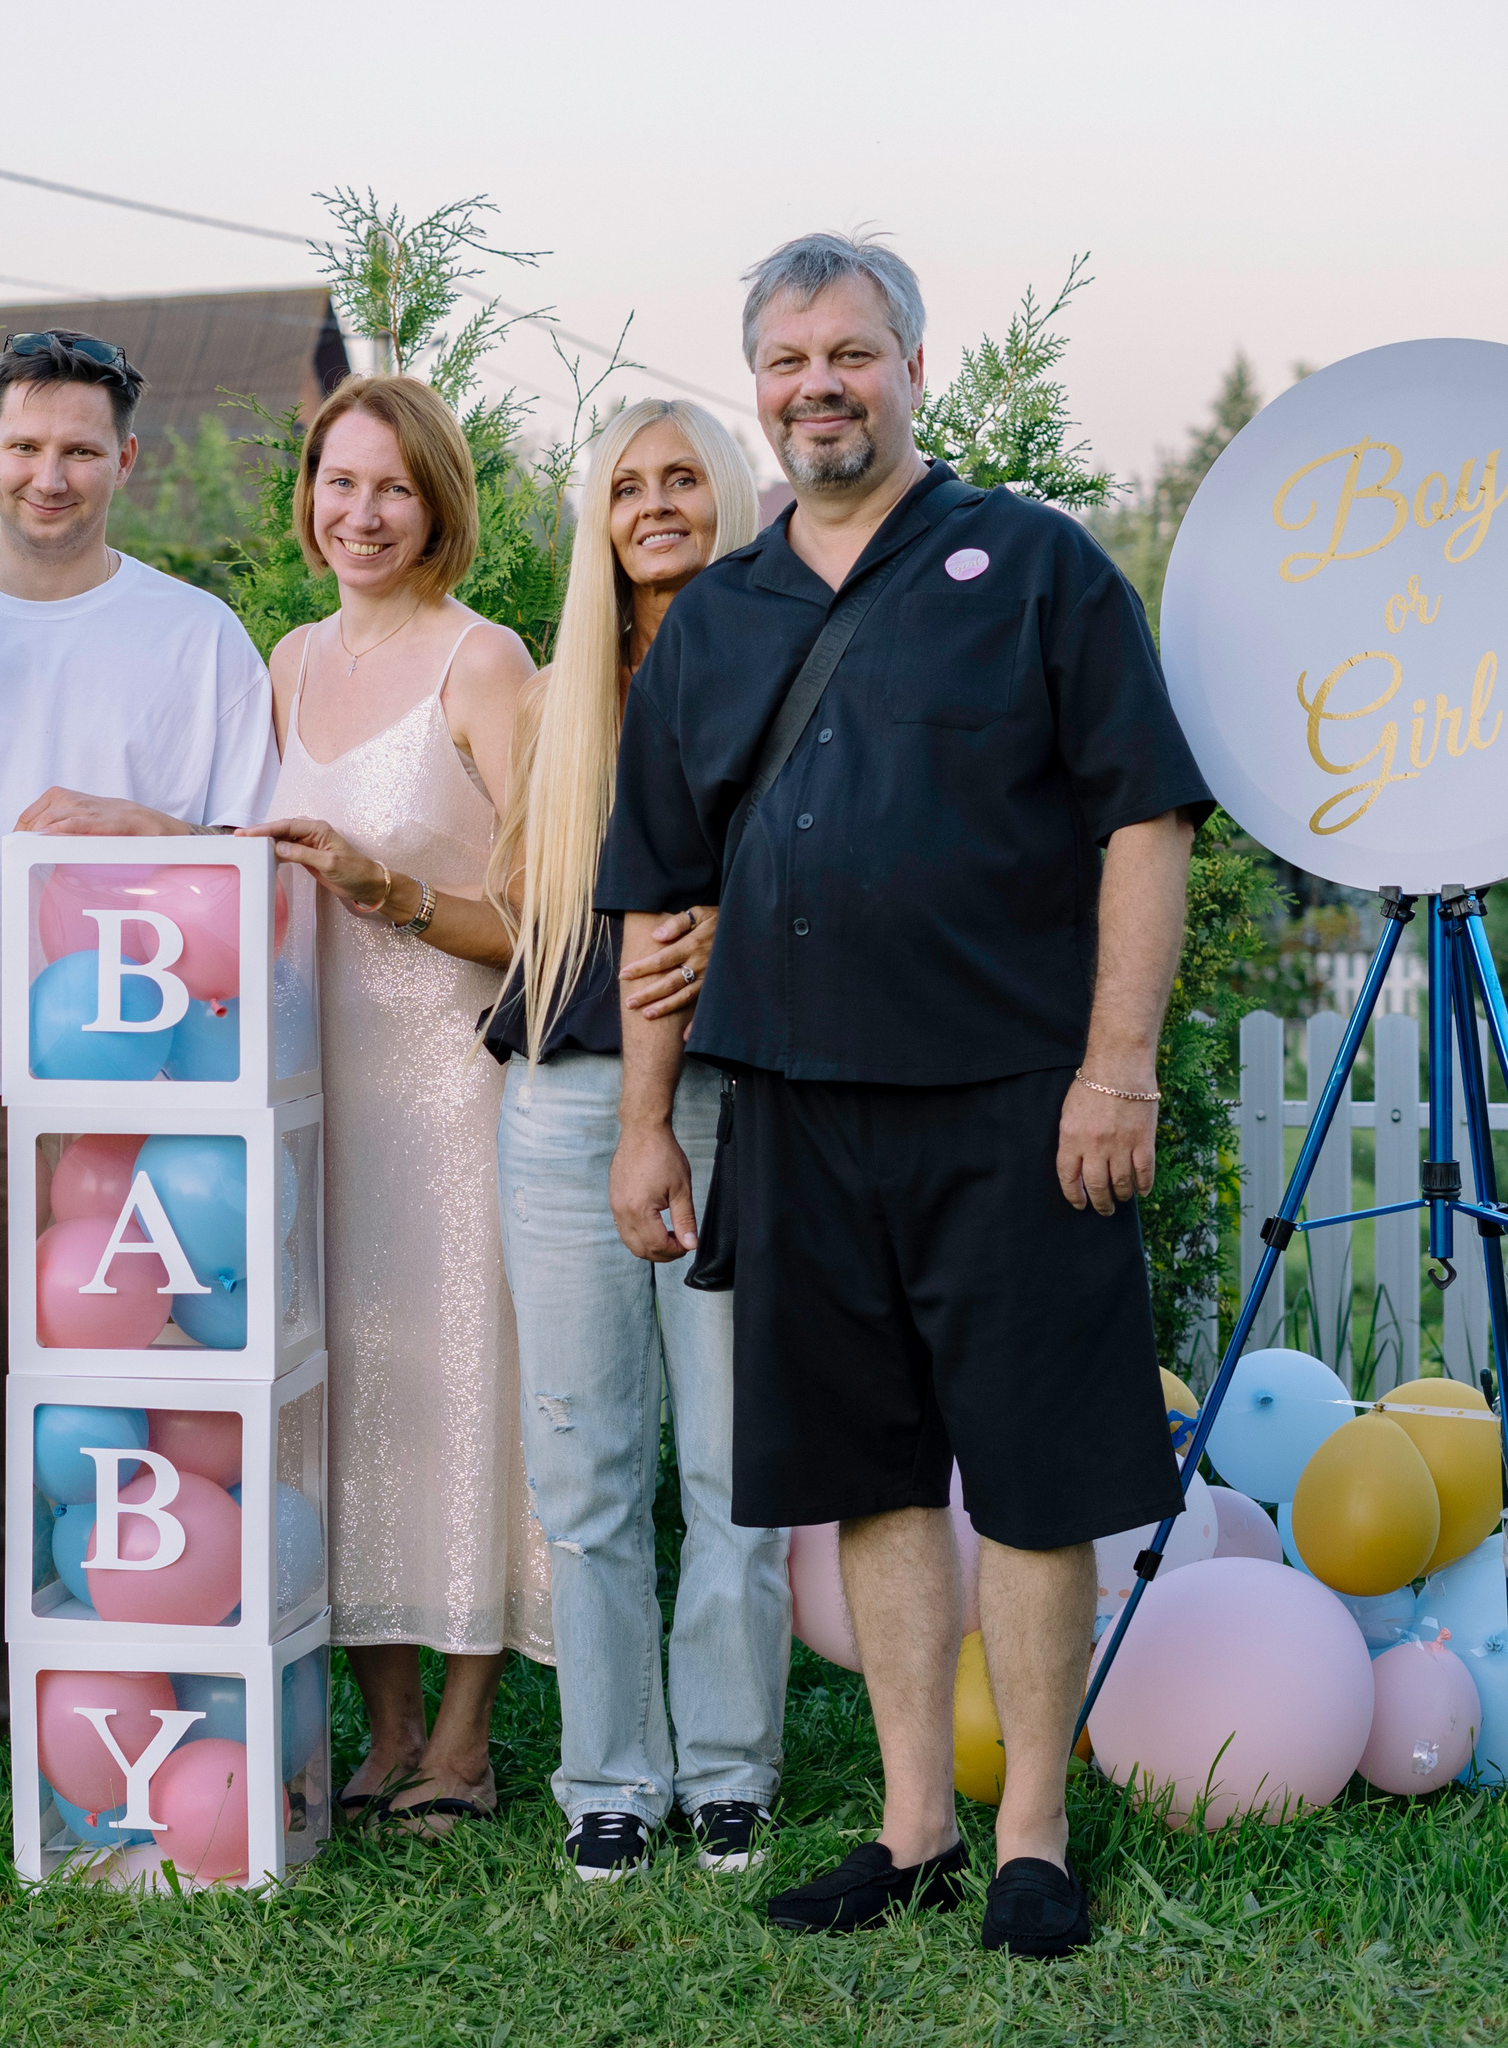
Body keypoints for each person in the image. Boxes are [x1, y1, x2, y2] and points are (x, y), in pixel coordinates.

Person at [596, 232, 1210, 1956]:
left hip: (1017, 1102)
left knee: (1029, 1477)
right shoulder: (721, 616)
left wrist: (1118, 1069)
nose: (820, 387)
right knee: (870, 1476)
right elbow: (658, 893)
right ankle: (915, 1824)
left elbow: (1144, 820)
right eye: (789, 362)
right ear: (759, 388)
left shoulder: (1036, 567)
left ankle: (1033, 1838)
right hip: (796, 1110)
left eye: (851, 354)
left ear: (914, 368)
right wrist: (646, 1123)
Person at [0, 330, 278, 1803]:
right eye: (23, 446)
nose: (47, 475)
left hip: (143, 1086)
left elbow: (259, 855)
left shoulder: (194, 636)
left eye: (78, 449)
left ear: (127, 459)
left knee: (121, 1400)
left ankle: (149, 1665)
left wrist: (149, 833)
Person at [482, 398, 791, 1880]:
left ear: (727, 494)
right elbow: (532, 922)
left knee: (734, 1466)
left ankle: (731, 1768)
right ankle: (610, 1775)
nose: (655, 504)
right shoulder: (554, 702)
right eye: (625, 486)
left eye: (682, 479)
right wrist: (387, 892)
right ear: (596, 520)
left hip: (737, 1101)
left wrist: (747, 922)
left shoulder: (791, 671)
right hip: (561, 1107)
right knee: (585, 1467)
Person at [242, 372, 548, 1835]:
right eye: (339, 482)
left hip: (449, 1086)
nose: (360, 514)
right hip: (313, 1088)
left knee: (462, 1384)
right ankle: (387, 1728)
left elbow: (550, 916)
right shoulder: (288, 660)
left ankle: (467, 1741)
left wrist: (394, 892)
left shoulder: (487, 665)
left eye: (392, 488)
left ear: (438, 507)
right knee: (345, 1390)